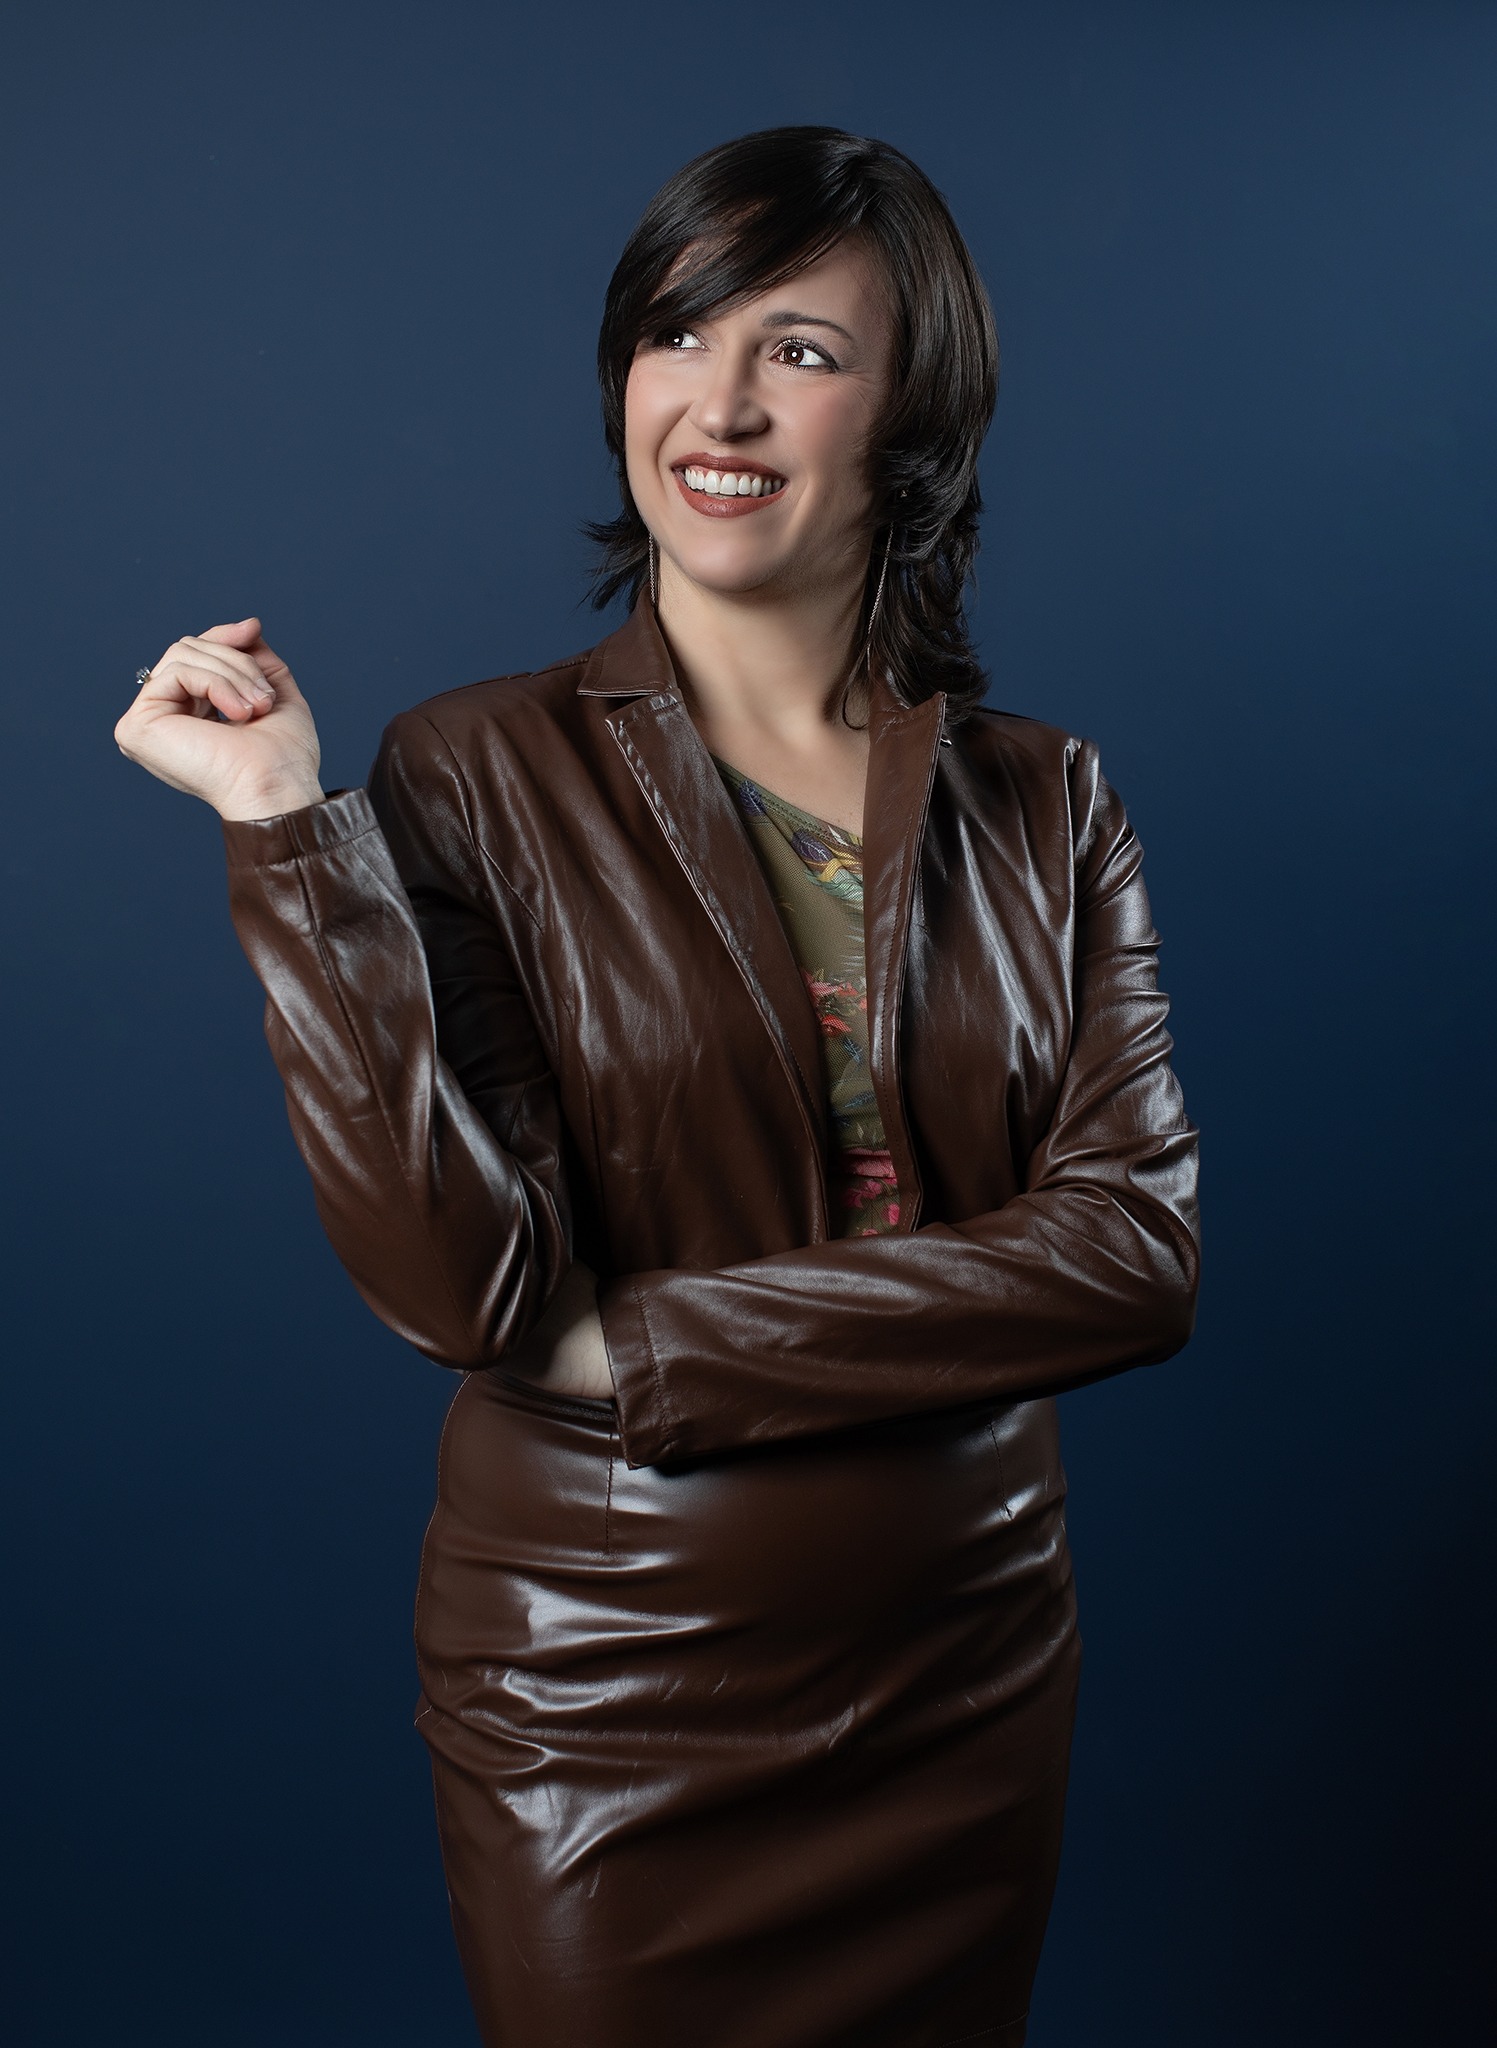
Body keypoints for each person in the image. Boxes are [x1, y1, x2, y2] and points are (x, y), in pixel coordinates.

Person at [113, 127, 1199, 2048]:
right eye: (677, 334)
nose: (718, 403)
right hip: (611, 1678)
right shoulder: (468, 771)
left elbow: (1133, 1256)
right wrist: (289, 837)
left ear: (912, 414)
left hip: (963, 1654)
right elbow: (469, 1291)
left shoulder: (1049, 799)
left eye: (801, 350)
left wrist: (653, 1346)